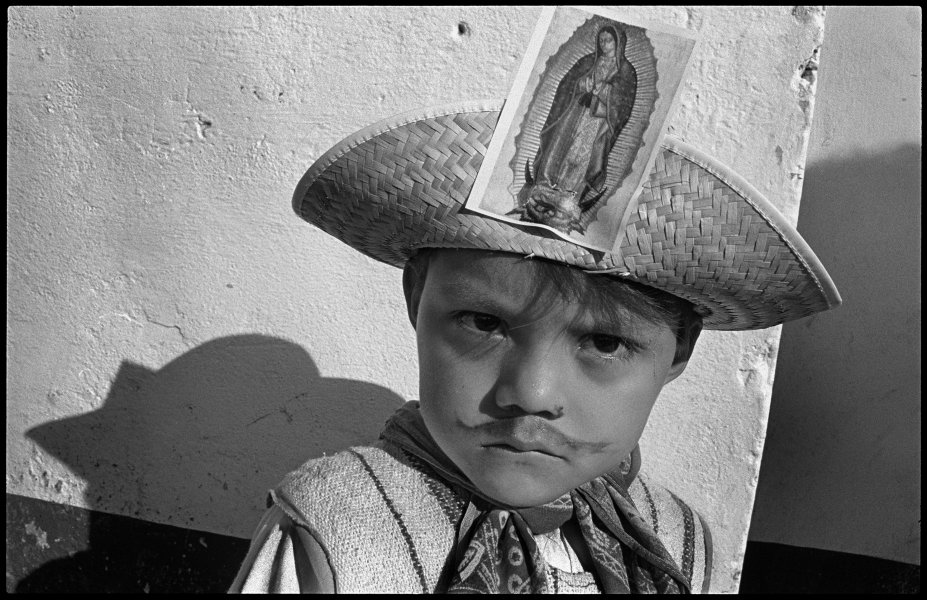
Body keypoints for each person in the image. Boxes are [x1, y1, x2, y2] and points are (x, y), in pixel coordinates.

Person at [229, 27, 840, 597]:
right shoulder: (339, 533)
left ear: (680, 347)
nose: (532, 392)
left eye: (604, 344)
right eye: (484, 323)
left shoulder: (672, 547)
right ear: (417, 296)